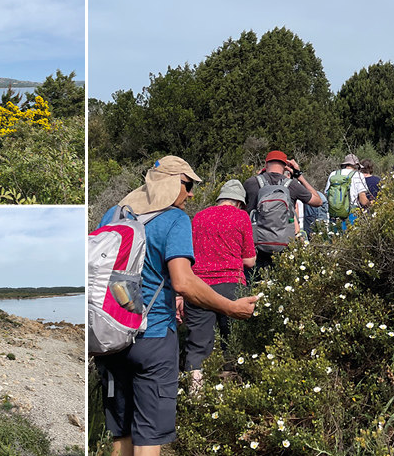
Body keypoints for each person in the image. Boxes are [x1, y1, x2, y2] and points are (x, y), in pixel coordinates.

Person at [95, 156, 258, 456]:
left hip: (110, 335)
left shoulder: (112, 214)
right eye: (188, 184)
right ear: (172, 184)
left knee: (120, 432)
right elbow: (183, 282)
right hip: (153, 337)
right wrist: (230, 307)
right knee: (148, 435)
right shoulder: (174, 219)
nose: (192, 193)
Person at [181, 180, 256, 392]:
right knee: (231, 343)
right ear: (240, 203)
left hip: (198, 286)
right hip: (231, 285)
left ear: (220, 198)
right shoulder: (241, 216)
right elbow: (249, 260)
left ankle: (195, 398)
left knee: (197, 346)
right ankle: (229, 396)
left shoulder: (199, 217)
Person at [243, 151, 322, 277]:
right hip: (283, 245)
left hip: (255, 245)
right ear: (286, 166)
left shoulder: (251, 183)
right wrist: (299, 175)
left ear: (265, 163)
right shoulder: (292, 185)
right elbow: (318, 201)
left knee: (253, 285)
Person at [325, 154, 370, 229]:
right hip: (351, 213)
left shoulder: (333, 174)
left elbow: (327, 193)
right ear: (356, 165)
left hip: (334, 212)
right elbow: (363, 200)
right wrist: (371, 205)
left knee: (334, 238)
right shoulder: (358, 175)